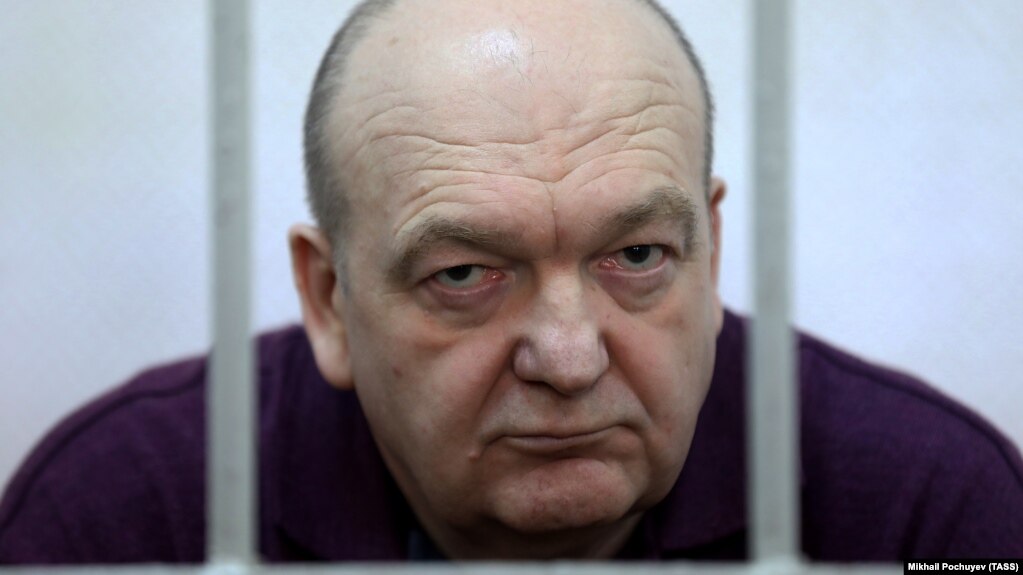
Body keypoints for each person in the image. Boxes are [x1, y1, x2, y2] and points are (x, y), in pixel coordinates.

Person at [2, 0, 1021, 563]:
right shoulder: (123, 518)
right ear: (329, 300)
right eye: (464, 273)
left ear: (709, 251)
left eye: (636, 256)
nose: (570, 359)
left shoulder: (926, 509)